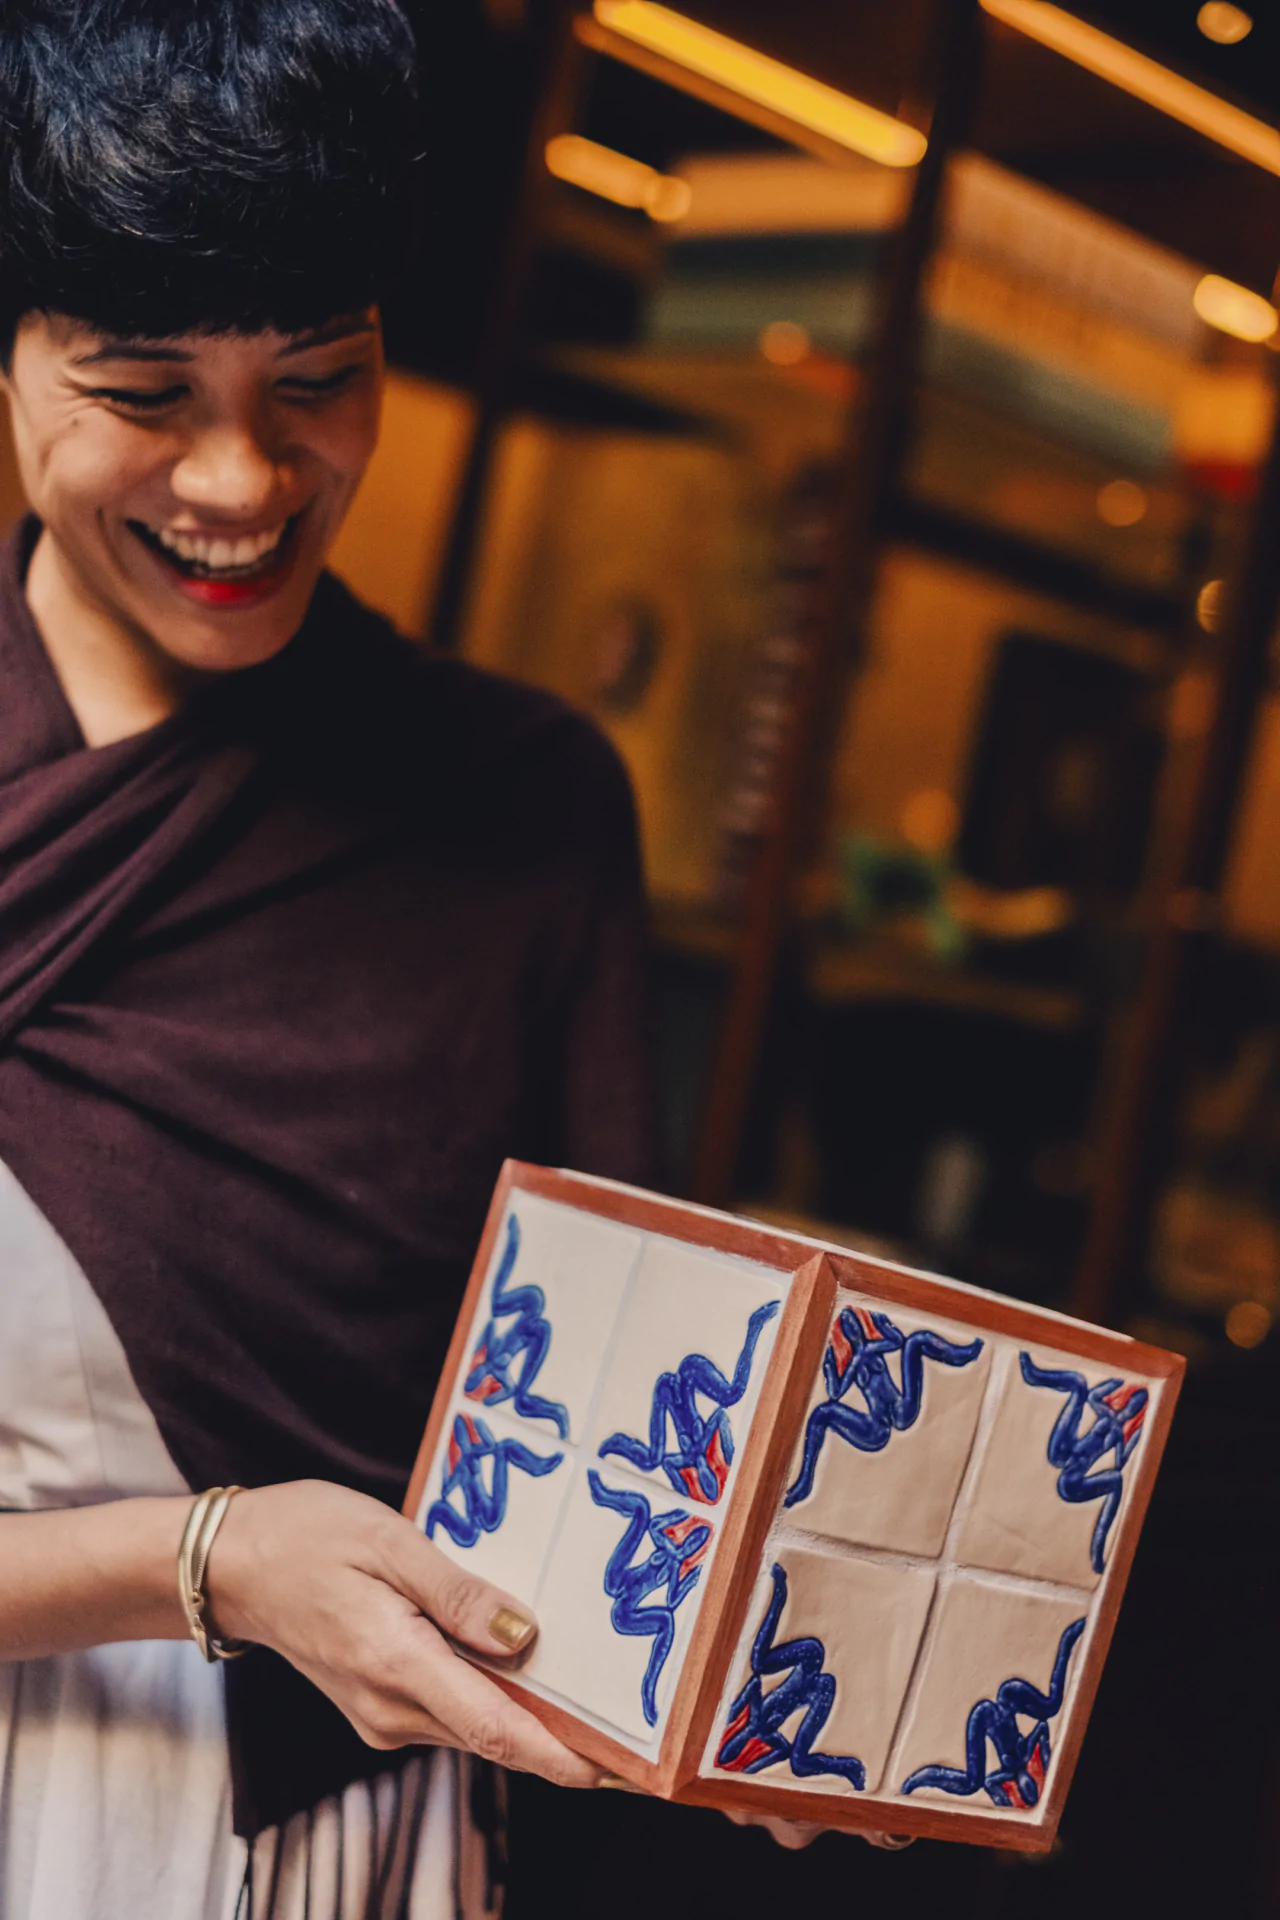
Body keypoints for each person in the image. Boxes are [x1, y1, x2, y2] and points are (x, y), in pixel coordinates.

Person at [0, 2, 658, 1913]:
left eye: (318, 379)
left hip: (349, 1839)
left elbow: (609, 1453)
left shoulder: (529, 807)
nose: (243, 480)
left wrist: (760, 1694)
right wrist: (201, 1565)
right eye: (141, 390)